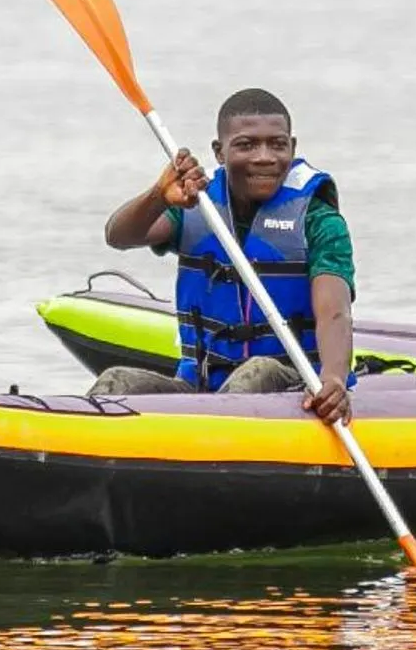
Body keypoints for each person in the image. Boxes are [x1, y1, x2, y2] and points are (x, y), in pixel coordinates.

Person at [90, 87, 356, 424]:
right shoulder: (197, 206)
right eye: (246, 145)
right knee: (117, 380)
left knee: (256, 371)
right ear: (219, 152)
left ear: (293, 147)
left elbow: (335, 313)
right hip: (202, 386)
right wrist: (159, 195)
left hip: (294, 385)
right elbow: (119, 236)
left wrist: (332, 380)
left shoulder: (319, 220)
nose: (265, 157)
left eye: (277, 144)